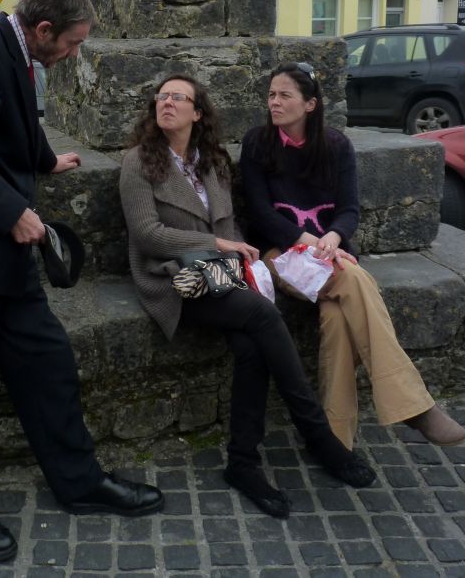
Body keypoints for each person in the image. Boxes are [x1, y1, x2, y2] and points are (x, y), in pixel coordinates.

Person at [0, 0, 163, 563]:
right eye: (73, 43)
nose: (75, 54)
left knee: (49, 364)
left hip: (5, 259)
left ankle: (79, 483)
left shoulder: (17, 52)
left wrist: (43, 159)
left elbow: (7, 122)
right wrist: (12, 213)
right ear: (44, 30)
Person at [119, 74, 376, 521]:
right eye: (161, 96)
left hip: (222, 277)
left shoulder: (212, 160)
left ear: (197, 112)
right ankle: (317, 433)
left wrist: (238, 255)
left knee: (252, 348)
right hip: (176, 279)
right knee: (261, 315)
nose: (167, 103)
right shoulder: (138, 162)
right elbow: (147, 234)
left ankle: (243, 464)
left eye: (178, 97)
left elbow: (230, 224)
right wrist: (221, 249)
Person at [240, 61, 465, 451]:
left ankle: (334, 437)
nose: (274, 102)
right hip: (281, 254)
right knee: (354, 279)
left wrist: (334, 235)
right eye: (271, 94)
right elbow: (261, 214)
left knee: (338, 317)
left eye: (284, 95)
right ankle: (412, 404)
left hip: (331, 253)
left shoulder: (336, 146)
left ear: (310, 104)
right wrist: (309, 241)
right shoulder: (258, 143)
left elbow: (349, 209)